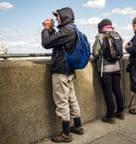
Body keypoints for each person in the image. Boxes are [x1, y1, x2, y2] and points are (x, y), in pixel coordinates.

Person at [41, 7, 84, 143]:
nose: (56, 18)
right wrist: (52, 30)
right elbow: (57, 40)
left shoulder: (66, 31)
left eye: (58, 16)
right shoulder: (72, 30)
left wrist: (46, 29)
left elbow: (47, 43)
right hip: (69, 72)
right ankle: (78, 126)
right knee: (72, 99)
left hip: (61, 72)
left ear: (65, 17)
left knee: (62, 102)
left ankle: (66, 134)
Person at [92, 19, 124, 124]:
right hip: (117, 67)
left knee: (108, 92)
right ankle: (120, 112)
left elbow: (95, 53)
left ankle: (110, 116)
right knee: (117, 90)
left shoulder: (101, 36)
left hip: (105, 69)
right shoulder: (117, 35)